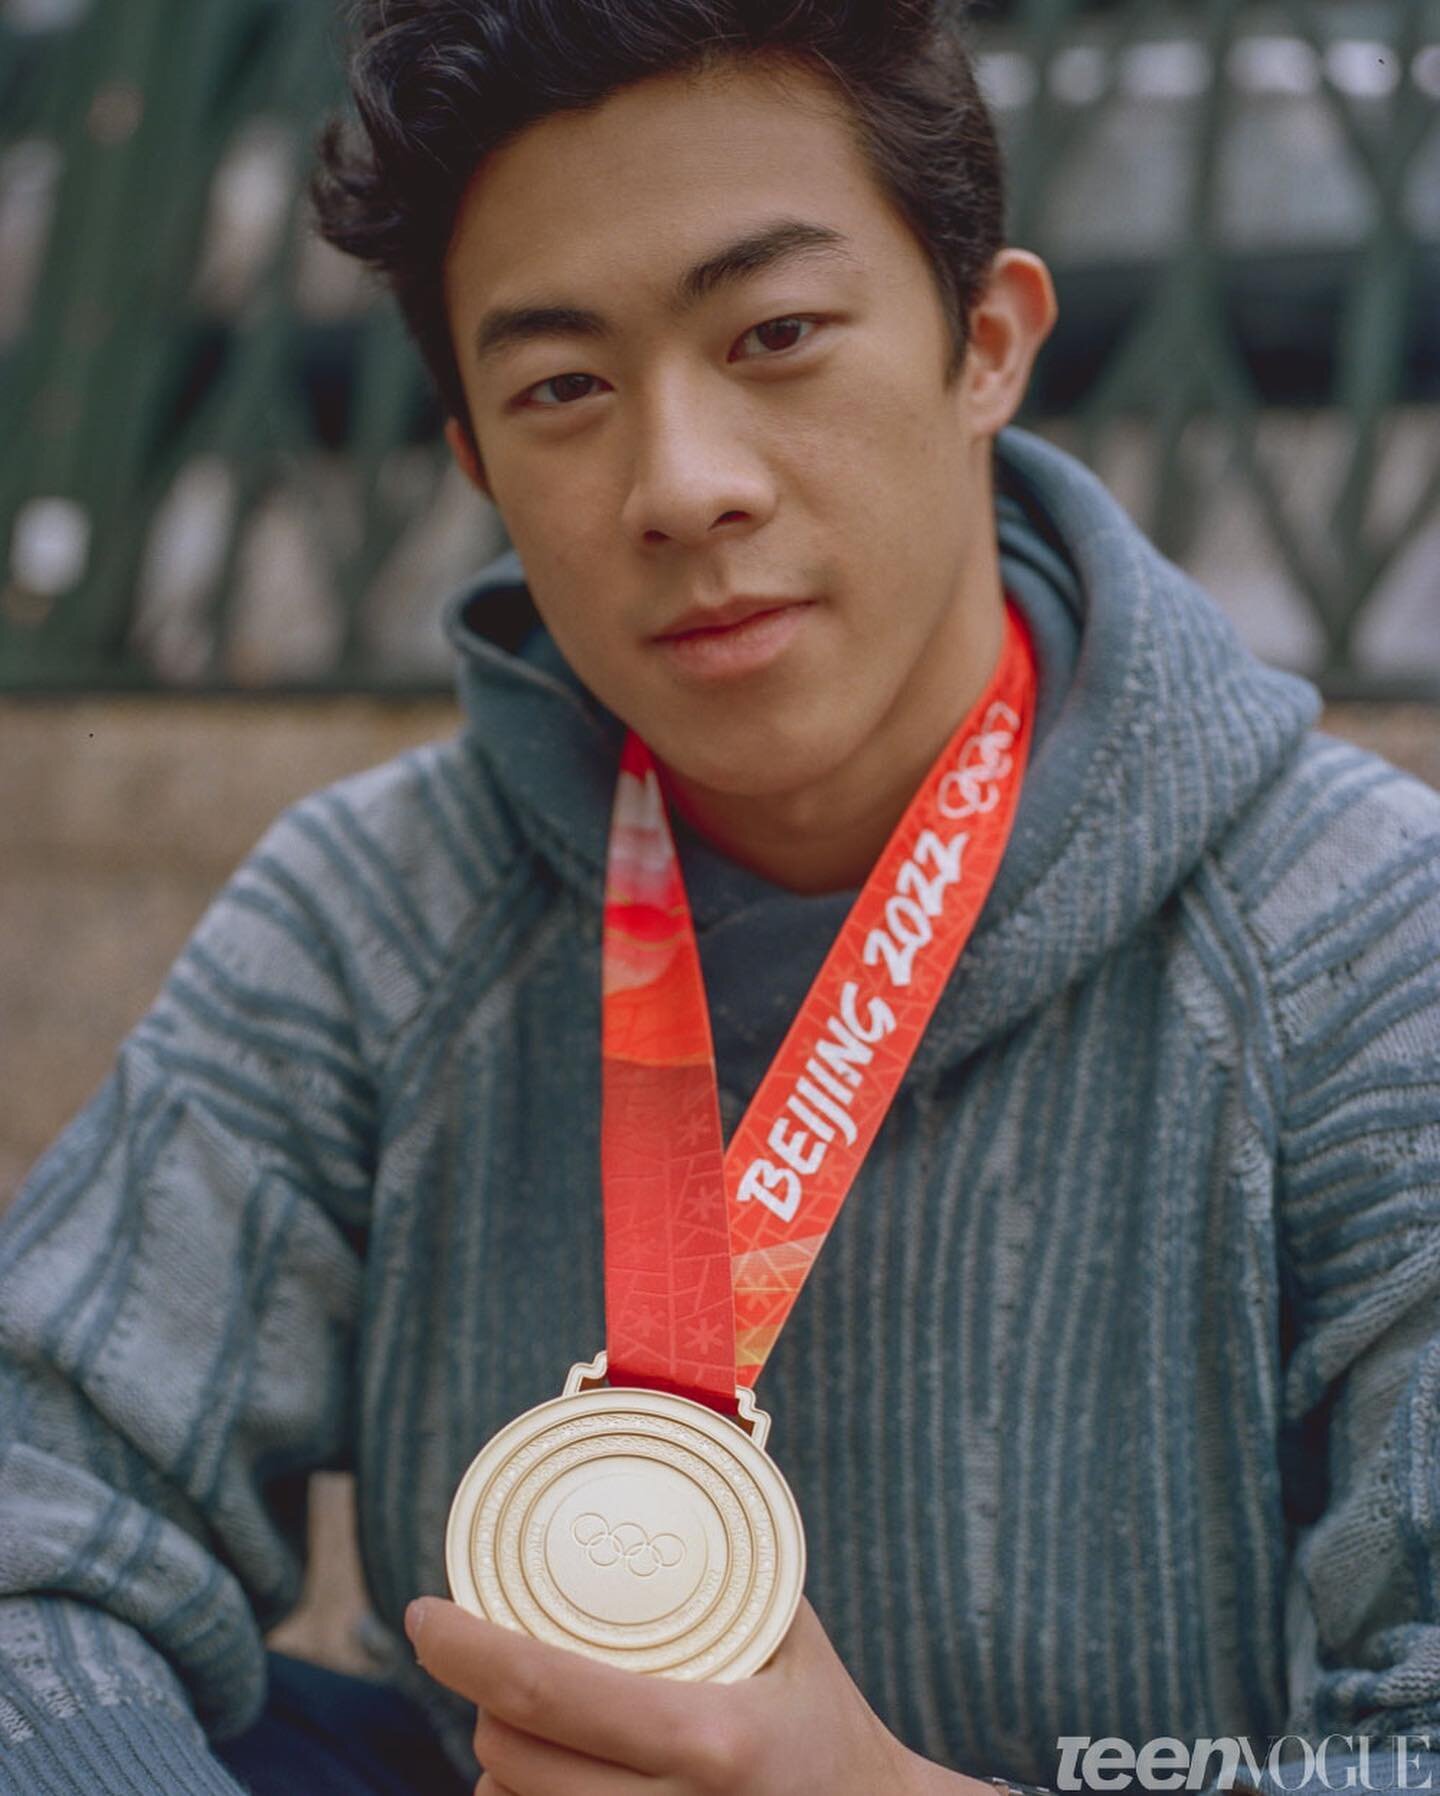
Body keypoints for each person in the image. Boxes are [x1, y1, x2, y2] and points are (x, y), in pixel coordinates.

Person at [2, 2, 1437, 1793]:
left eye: (775, 334)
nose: (683, 484)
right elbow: (37, 1510)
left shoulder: (1371, 946)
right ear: (473, 466)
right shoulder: (371, 914)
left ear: (984, 343)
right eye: (563, 390)